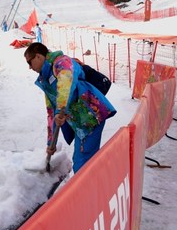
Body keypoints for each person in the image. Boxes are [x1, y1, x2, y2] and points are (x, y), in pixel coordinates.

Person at [24, 43, 116, 173]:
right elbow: (51, 112)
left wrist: (60, 109)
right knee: (81, 159)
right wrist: (51, 143)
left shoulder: (62, 62)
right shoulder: (45, 80)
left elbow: (65, 83)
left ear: (38, 56)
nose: (29, 67)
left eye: (29, 62)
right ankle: (90, 186)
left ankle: (87, 190)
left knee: (83, 163)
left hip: (91, 116)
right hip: (79, 121)